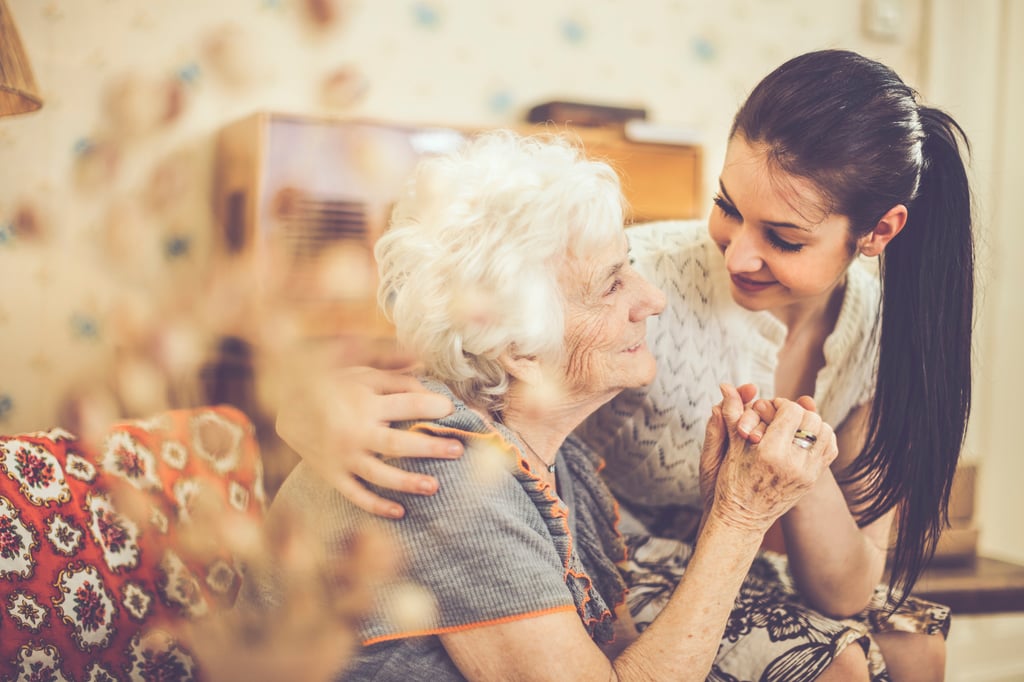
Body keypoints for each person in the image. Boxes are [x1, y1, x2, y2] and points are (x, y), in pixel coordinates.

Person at [278, 50, 973, 680]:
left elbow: (846, 585)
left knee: (916, 651)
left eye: (784, 238)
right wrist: (306, 408)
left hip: (620, 561)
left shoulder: (567, 467)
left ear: (878, 232)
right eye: (727, 208)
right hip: (617, 563)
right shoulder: (470, 450)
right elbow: (449, 343)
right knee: (840, 669)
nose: (656, 295)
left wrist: (777, 479)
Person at [240, 130, 839, 681]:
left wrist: (723, 512)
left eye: (629, 266)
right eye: (612, 284)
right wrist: (739, 520)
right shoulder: (443, 466)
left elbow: (622, 660)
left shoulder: (558, 463)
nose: (652, 299)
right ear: (519, 348)